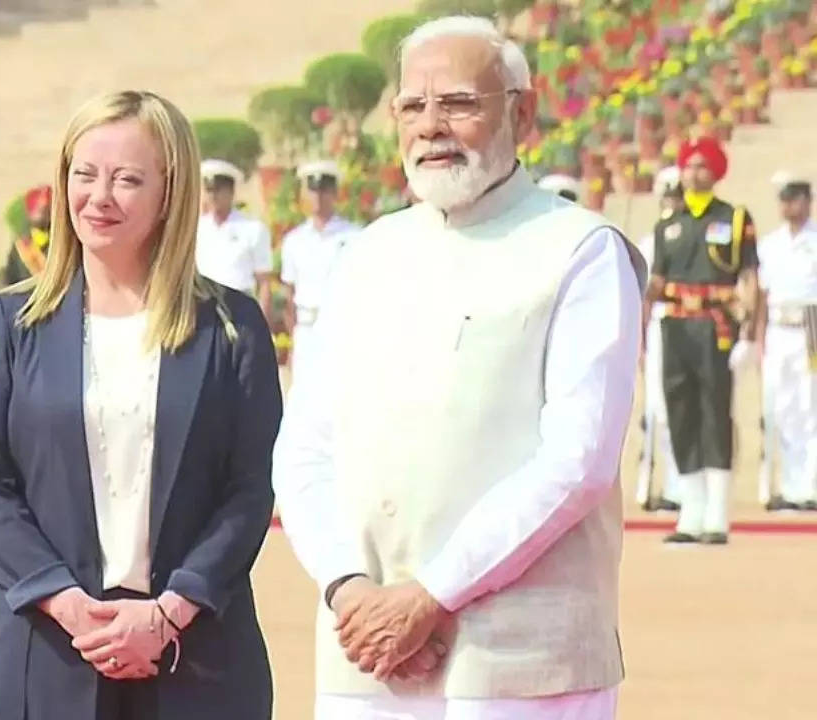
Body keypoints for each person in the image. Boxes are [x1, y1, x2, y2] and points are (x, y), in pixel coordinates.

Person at [273, 17, 643, 720]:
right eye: (413, 106)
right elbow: (304, 450)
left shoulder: (580, 249)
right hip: (369, 655)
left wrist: (431, 595)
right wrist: (351, 592)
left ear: (522, 111)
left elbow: (580, 460)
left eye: (460, 103)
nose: (433, 126)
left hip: (521, 659)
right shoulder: (366, 258)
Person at [0, 90, 280, 720]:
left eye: (127, 179)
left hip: (195, 659)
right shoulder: (11, 325)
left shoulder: (231, 328)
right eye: (85, 174)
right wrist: (70, 606)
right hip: (45, 653)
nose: (99, 197)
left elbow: (249, 491)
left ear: (171, 191)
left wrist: (168, 612)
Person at [650, 135, 761, 544]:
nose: (693, 173)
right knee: (681, 413)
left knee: (715, 413)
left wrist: (748, 333)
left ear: (716, 172)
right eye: (688, 165)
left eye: (702, 166)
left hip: (716, 328)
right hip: (676, 326)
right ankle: (690, 512)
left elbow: (749, 277)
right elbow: (657, 281)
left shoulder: (734, 219)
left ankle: (717, 513)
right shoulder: (668, 225)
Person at [758, 173, 817, 511]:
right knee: (782, 408)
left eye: (795, 198)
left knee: (811, 407)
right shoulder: (770, 244)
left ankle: (809, 486)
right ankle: (790, 486)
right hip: (778, 329)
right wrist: (756, 338)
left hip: (810, 328)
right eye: (784, 198)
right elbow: (762, 297)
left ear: (808, 201)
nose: (788, 205)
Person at [280, 160, 360, 387]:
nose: (318, 197)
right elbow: (289, 294)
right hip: (306, 329)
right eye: (312, 190)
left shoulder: (354, 237)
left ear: (335, 194)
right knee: (304, 398)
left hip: (341, 327)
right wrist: (293, 340)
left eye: (324, 190)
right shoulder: (294, 241)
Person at [634, 165, 685, 512]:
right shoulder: (649, 242)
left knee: (680, 406)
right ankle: (652, 483)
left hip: (685, 322)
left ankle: (678, 486)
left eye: (677, 195)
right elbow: (640, 297)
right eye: (667, 195)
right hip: (656, 326)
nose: (672, 202)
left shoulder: (693, 234)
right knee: (655, 410)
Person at [194, 159, 273, 317]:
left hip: (240, 307)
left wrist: (262, 320)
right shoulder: (197, 228)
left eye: (218, 190)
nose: (213, 196)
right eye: (209, 191)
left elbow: (263, 282)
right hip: (205, 307)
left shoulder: (252, 228)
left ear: (231, 192)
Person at [1, 185, 52, 285]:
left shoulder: (64, 241)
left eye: (47, 210)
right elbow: (11, 276)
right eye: (40, 210)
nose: (42, 214)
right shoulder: (22, 244)